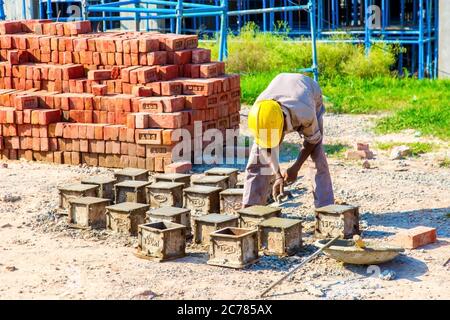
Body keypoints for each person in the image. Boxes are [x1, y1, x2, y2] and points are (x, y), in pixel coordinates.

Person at [243, 73, 334, 208]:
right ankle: (251, 209)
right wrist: (278, 175)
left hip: (310, 92)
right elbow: (266, 149)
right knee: (257, 160)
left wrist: (295, 168)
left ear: (283, 128)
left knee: (317, 156)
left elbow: (312, 141)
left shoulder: (306, 113)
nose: (274, 144)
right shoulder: (259, 113)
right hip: (281, 87)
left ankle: (326, 209)